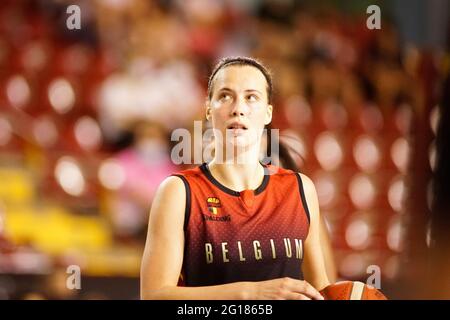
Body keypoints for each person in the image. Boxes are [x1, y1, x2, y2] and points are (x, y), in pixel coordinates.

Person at [140, 56, 330, 299]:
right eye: (225, 96)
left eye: (251, 97)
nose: (238, 108)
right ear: (209, 109)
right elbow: (153, 296)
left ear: (268, 113)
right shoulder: (179, 191)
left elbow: (320, 290)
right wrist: (250, 293)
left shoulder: (300, 188)